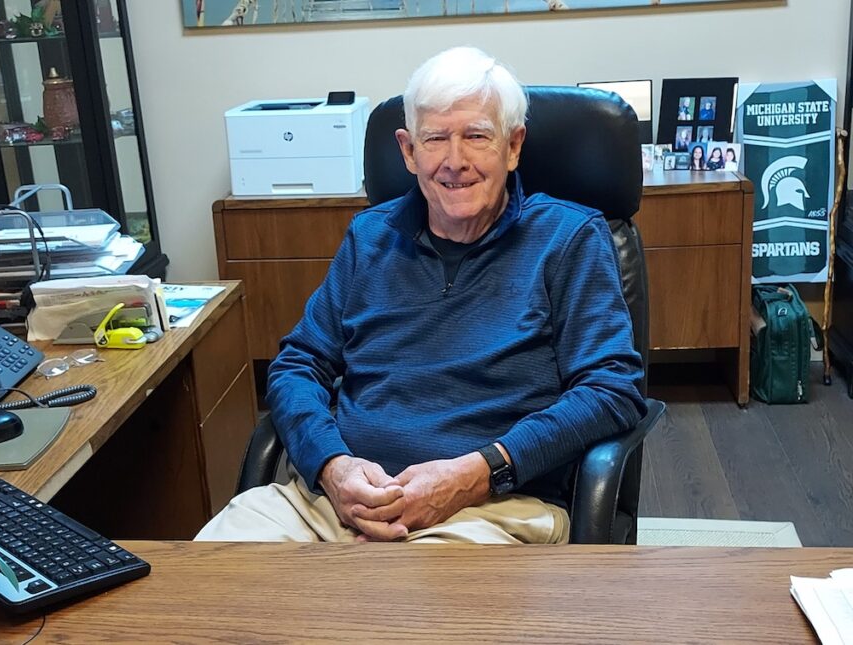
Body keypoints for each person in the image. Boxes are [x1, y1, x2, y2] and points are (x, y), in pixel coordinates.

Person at [195, 46, 645, 545]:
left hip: (489, 508)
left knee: (404, 615)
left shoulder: (569, 238)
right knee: (208, 582)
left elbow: (611, 391)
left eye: (477, 136)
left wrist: (479, 473)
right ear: (408, 151)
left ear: (513, 146)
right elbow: (298, 364)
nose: (455, 161)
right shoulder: (370, 237)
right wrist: (331, 465)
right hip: (336, 504)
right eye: (435, 139)